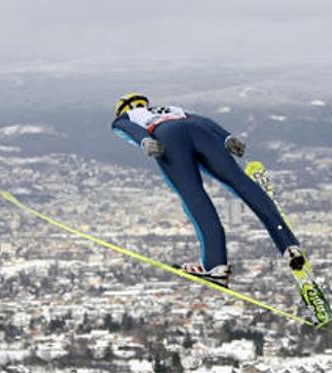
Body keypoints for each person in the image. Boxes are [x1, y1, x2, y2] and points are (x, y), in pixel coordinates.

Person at [111, 93, 305, 287]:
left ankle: (215, 265)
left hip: (167, 138)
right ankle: (289, 245)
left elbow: (127, 128)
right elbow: (202, 120)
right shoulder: (170, 109)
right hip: (199, 132)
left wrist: (145, 140)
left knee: (194, 196)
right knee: (241, 182)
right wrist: (227, 137)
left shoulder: (127, 116)